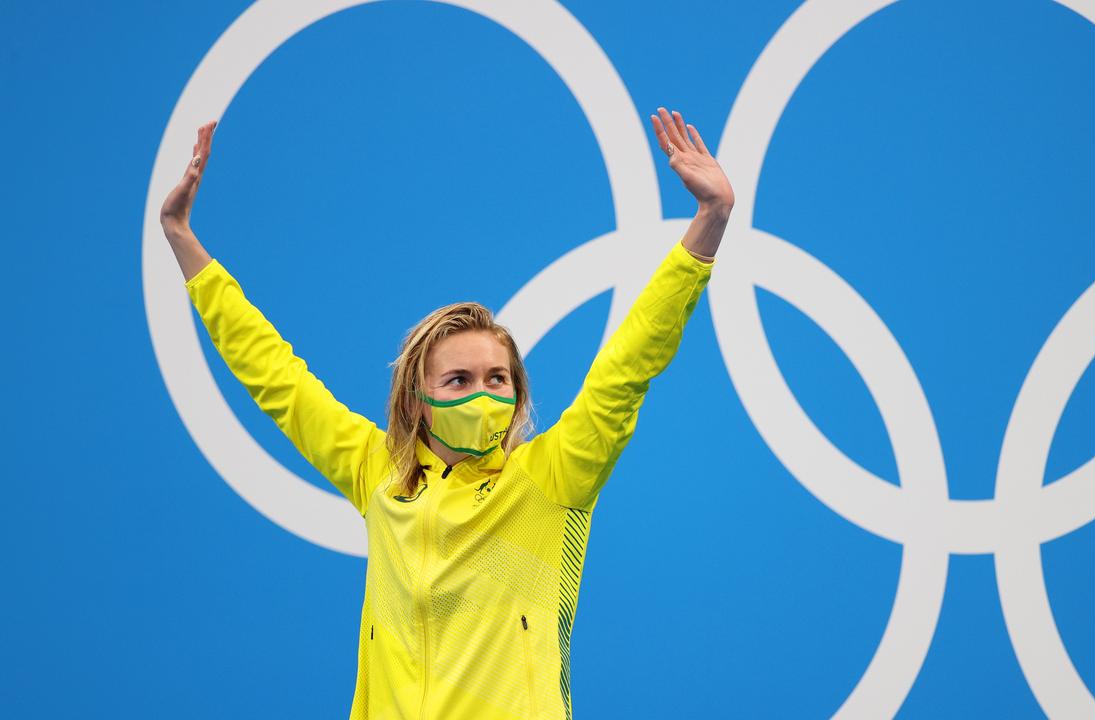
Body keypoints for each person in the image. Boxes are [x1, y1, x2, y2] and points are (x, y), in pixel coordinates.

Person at [159, 108, 733, 720]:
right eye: (458, 379)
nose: (482, 394)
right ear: (416, 399)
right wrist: (181, 238)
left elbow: (629, 365)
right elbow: (274, 375)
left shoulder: (551, 480)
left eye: (498, 379)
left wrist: (710, 223)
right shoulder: (375, 472)